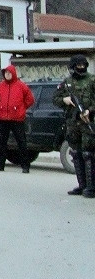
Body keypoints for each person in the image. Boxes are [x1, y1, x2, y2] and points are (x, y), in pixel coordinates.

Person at [53, 54, 95, 196]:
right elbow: (55, 98)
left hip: (88, 121)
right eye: (78, 65)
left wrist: (90, 110)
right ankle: (82, 185)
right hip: (72, 123)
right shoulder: (67, 82)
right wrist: (64, 100)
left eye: (83, 65)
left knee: (88, 153)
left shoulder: (92, 80)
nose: (81, 68)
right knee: (76, 153)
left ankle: (91, 187)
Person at [0, 64, 35, 173]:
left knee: (21, 142)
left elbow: (30, 100)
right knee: (1, 142)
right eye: (6, 73)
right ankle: (0, 165)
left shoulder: (21, 86)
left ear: (13, 73)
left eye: (9, 73)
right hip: (3, 118)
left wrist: (21, 108)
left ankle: (25, 166)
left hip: (17, 119)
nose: (7, 74)